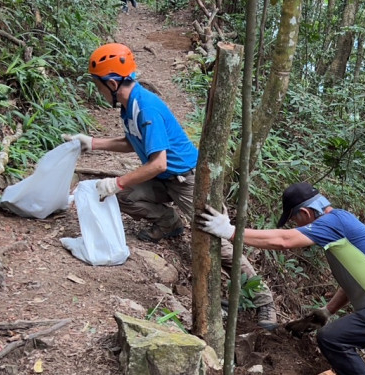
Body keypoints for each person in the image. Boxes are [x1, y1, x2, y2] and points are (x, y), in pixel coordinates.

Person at [66, 43, 278, 327]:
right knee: (125, 197)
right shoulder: (129, 107)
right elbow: (133, 142)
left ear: (113, 83)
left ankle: (264, 301)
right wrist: (92, 143)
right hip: (164, 180)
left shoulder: (146, 107)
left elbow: (158, 163)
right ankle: (169, 223)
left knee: (219, 240)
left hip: (189, 180)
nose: (99, 92)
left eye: (99, 86)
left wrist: (116, 181)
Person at [197, 180, 365, 375]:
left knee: (332, 339)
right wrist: (327, 311)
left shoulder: (332, 223)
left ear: (306, 213)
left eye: (295, 220)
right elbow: (354, 281)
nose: (296, 227)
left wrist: (230, 231)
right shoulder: (339, 228)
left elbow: (284, 240)